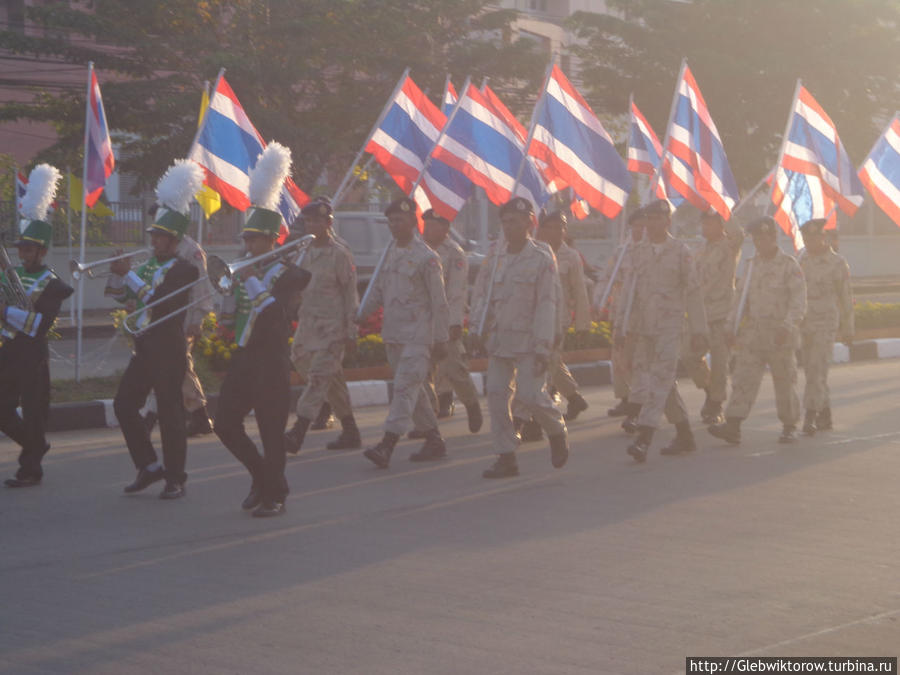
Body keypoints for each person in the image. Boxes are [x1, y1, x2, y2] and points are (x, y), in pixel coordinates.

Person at [214, 143, 311, 517]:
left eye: (256, 239)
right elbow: (233, 311)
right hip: (244, 358)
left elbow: (273, 318)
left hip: (271, 361)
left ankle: (276, 494)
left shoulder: (290, 274)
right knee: (224, 423)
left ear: (272, 240)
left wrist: (252, 280)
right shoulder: (244, 269)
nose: (249, 245)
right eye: (247, 239)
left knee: (272, 431)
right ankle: (261, 476)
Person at [107, 160, 203, 499]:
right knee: (123, 405)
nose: (155, 241)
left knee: (169, 412)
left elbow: (161, 302)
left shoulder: (184, 269)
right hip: (145, 345)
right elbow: (121, 296)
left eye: (160, 237)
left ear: (174, 239)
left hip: (169, 347)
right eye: (154, 236)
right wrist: (118, 274)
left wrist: (130, 276)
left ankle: (176, 477)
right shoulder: (147, 265)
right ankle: (148, 466)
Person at [470, 197, 568, 479]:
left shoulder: (541, 256)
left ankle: (556, 430)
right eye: (505, 221)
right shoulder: (495, 256)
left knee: (531, 395)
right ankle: (506, 456)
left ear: (529, 223)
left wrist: (543, 347)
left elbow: (547, 303)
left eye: (515, 221)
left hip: (529, 341)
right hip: (500, 341)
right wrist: (476, 329)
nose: (509, 226)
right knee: (497, 396)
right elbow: (482, 295)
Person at [358, 197, 449, 468]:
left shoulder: (427, 258)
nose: (395, 225)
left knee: (404, 388)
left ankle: (387, 445)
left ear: (413, 221)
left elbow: (439, 302)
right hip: (394, 334)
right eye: (391, 221)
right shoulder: (390, 253)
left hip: (418, 336)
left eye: (400, 220)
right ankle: (434, 439)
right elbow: (377, 290)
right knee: (415, 389)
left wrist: (441, 339)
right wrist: (359, 315)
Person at [614, 199, 707, 463]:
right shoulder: (636, 252)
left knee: (657, 382)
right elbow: (628, 292)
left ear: (668, 221)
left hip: (669, 327)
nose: (653, 224)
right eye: (649, 219)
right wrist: (621, 326)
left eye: (658, 219)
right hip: (644, 328)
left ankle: (643, 438)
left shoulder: (680, 251)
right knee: (661, 383)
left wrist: (699, 329)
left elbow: (693, 291)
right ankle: (685, 433)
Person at [0, 164, 73, 487]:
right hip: (8, 350)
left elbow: (38, 325)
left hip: (32, 353)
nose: (22, 253)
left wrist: (4, 311)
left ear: (42, 251)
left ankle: (30, 468)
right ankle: (35, 446)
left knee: (32, 412)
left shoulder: (53, 284)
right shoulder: (10, 275)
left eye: (28, 249)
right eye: (21, 248)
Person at [708, 216, 806, 445]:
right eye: (756, 238)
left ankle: (789, 425)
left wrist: (788, 325)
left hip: (779, 334)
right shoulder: (752, 265)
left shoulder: (789, 265)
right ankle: (733, 425)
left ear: (773, 237)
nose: (760, 242)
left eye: (764, 237)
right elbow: (740, 299)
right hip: (753, 333)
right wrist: (730, 326)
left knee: (784, 381)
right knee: (743, 378)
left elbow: (799, 301)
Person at [284, 198, 362, 454]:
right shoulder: (303, 250)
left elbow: (350, 293)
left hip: (332, 327)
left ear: (328, 223)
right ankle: (350, 430)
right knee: (311, 368)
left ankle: (298, 431)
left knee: (319, 377)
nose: (312, 224)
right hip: (308, 324)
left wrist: (351, 330)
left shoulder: (339, 253)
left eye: (318, 220)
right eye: (308, 220)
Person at [419, 208, 482, 432]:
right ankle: (426, 421)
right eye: (425, 225)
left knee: (455, 370)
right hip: (422, 323)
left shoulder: (455, 254)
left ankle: (472, 405)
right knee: (420, 373)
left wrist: (455, 323)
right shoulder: (418, 250)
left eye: (433, 225)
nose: (427, 229)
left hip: (445, 322)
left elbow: (457, 292)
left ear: (445, 229)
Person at [682, 209, 744, 425]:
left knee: (720, 363)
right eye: (704, 223)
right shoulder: (699, 251)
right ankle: (710, 390)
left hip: (721, 314)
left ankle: (716, 404)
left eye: (710, 223)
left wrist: (725, 209)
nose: (705, 227)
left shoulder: (729, 247)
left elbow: (739, 234)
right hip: (700, 314)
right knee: (689, 355)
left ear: (720, 225)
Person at [797, 218, 853, 435]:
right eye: (807, 238)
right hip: (805, 323)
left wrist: (848, 329)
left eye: (815, 237)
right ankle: (825, 413)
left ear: (823, 237)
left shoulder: (837, 263)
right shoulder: (800, 260)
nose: (810, 242)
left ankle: (810, 416)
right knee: (813, 370)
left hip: (826, 323)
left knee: (816, 370)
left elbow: (846, 297)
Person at [535, 210, 591, 421]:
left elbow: (580, 291)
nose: (558, 231)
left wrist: (583, 325)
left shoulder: (571, 256)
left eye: (561, 227)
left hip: (559, 320)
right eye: (552, 227)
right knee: (552, 361)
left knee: (547, 363)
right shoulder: (535, 252)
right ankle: (574, 397)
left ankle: (540, 417)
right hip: (536, 317)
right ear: (542, 229)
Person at [593, 210, 645, 425]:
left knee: (638, 359)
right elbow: (607, 277)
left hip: (642, 314)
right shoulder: (622, 251)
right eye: (636, 225)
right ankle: (625, 398)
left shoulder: (651, 251)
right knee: (619, 357)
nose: (640, 229)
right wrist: (598, 301)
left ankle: (639, 404)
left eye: (643, 225)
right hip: (620, 311)